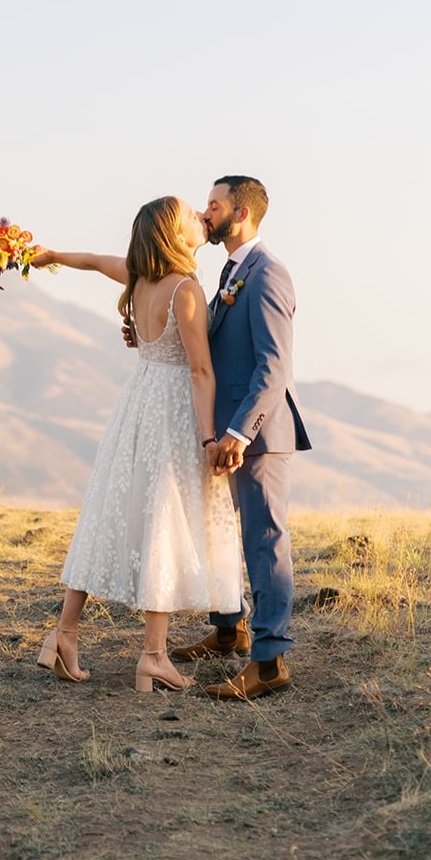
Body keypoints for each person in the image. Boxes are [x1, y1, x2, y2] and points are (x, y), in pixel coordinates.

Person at [29, 196, 242, 693]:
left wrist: (52, 255)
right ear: (173, 232)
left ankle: (63, 634)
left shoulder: (138, 277)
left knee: (109, 513)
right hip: (170, 410)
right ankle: (152, 656)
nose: (199, 219)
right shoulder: (184, 288)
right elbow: (200, 369)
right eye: (191, 215)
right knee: (164, 521)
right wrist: (210, 436)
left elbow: (91, 261)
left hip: (135, 403)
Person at [162, 175, 311, 701]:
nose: (206, 213)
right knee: (221, 532)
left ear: (240, 212)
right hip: (225, 435)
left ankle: (269, 663)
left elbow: (273, 368)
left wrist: (237, 433)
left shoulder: (268, 274)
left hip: (257, 436)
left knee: (265, 541)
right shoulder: (230, 271)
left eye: (214, 205)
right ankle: (230, 628)